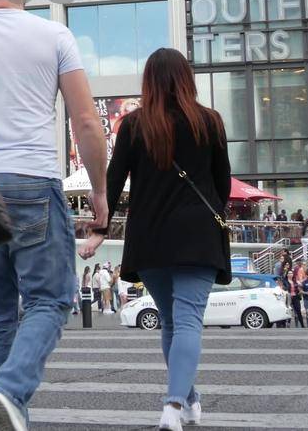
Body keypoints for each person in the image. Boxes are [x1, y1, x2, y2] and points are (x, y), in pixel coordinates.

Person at [0, 0, 110, 430]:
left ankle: (6, 409)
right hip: (32, 180)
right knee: (51, 300)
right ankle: (9, 389)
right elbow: (86, 121)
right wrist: (100, 193)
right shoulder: (54, 36)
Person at [81, 48, 230, 431]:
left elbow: (112, 181)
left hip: (150, 236)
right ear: (187, 78)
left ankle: (187, 400)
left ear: (148, 81)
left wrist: (99, 232)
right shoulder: (209, 122)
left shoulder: (133, 125)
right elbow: (222, 185)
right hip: (198, 234)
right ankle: (174, 403)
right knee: (188, 323)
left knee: (171, 323)